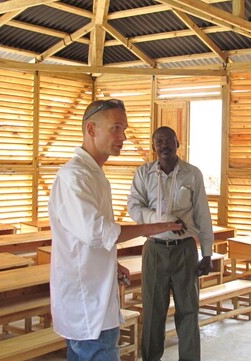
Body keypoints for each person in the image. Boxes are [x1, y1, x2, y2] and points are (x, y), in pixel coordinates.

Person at [49, 99, 183, 361]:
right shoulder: (74, 176)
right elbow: (98, 232)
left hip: (94, 293)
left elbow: (89, 240)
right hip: (87, 303)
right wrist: (158, 227)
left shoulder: (93, 173)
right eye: (116, 128)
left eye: (125, 129)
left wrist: (111, 263)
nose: (123, 137)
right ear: (91, 129)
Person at [127, 126, 214, 361]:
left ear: (178, 142)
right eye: (159, 142)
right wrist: (163, 221)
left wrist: (207, 253)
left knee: (188, 311)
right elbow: (134, 208)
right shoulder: (143, 173)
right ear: (153, 146)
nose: (164, 146)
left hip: (185, 250)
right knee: (153, 312)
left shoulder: (191, 174)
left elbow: (202, 214)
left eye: (168, 141)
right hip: (155, 250)